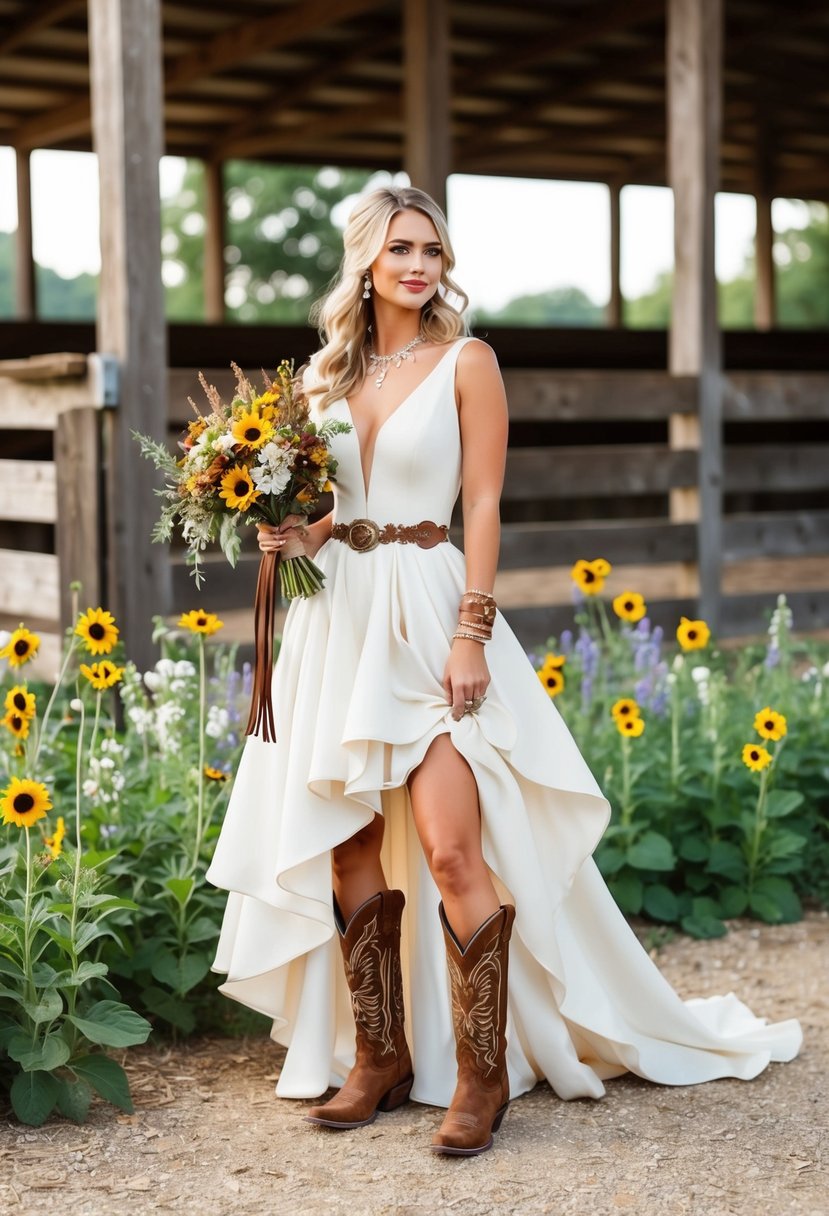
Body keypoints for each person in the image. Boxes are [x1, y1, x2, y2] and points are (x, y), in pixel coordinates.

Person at [206, 186, 801, 1158]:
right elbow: (331, 506)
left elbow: (480, 505)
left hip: (433, 602)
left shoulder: (466, 363)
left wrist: (470, 631)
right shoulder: (318, 378)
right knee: (347, 843)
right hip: (340, 611)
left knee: (451, 848)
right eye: (400, 247)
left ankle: (481, 1077)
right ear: (365, 259)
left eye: (430, 249)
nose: (418, 265)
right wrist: (293, 529)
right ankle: (379, 1056)